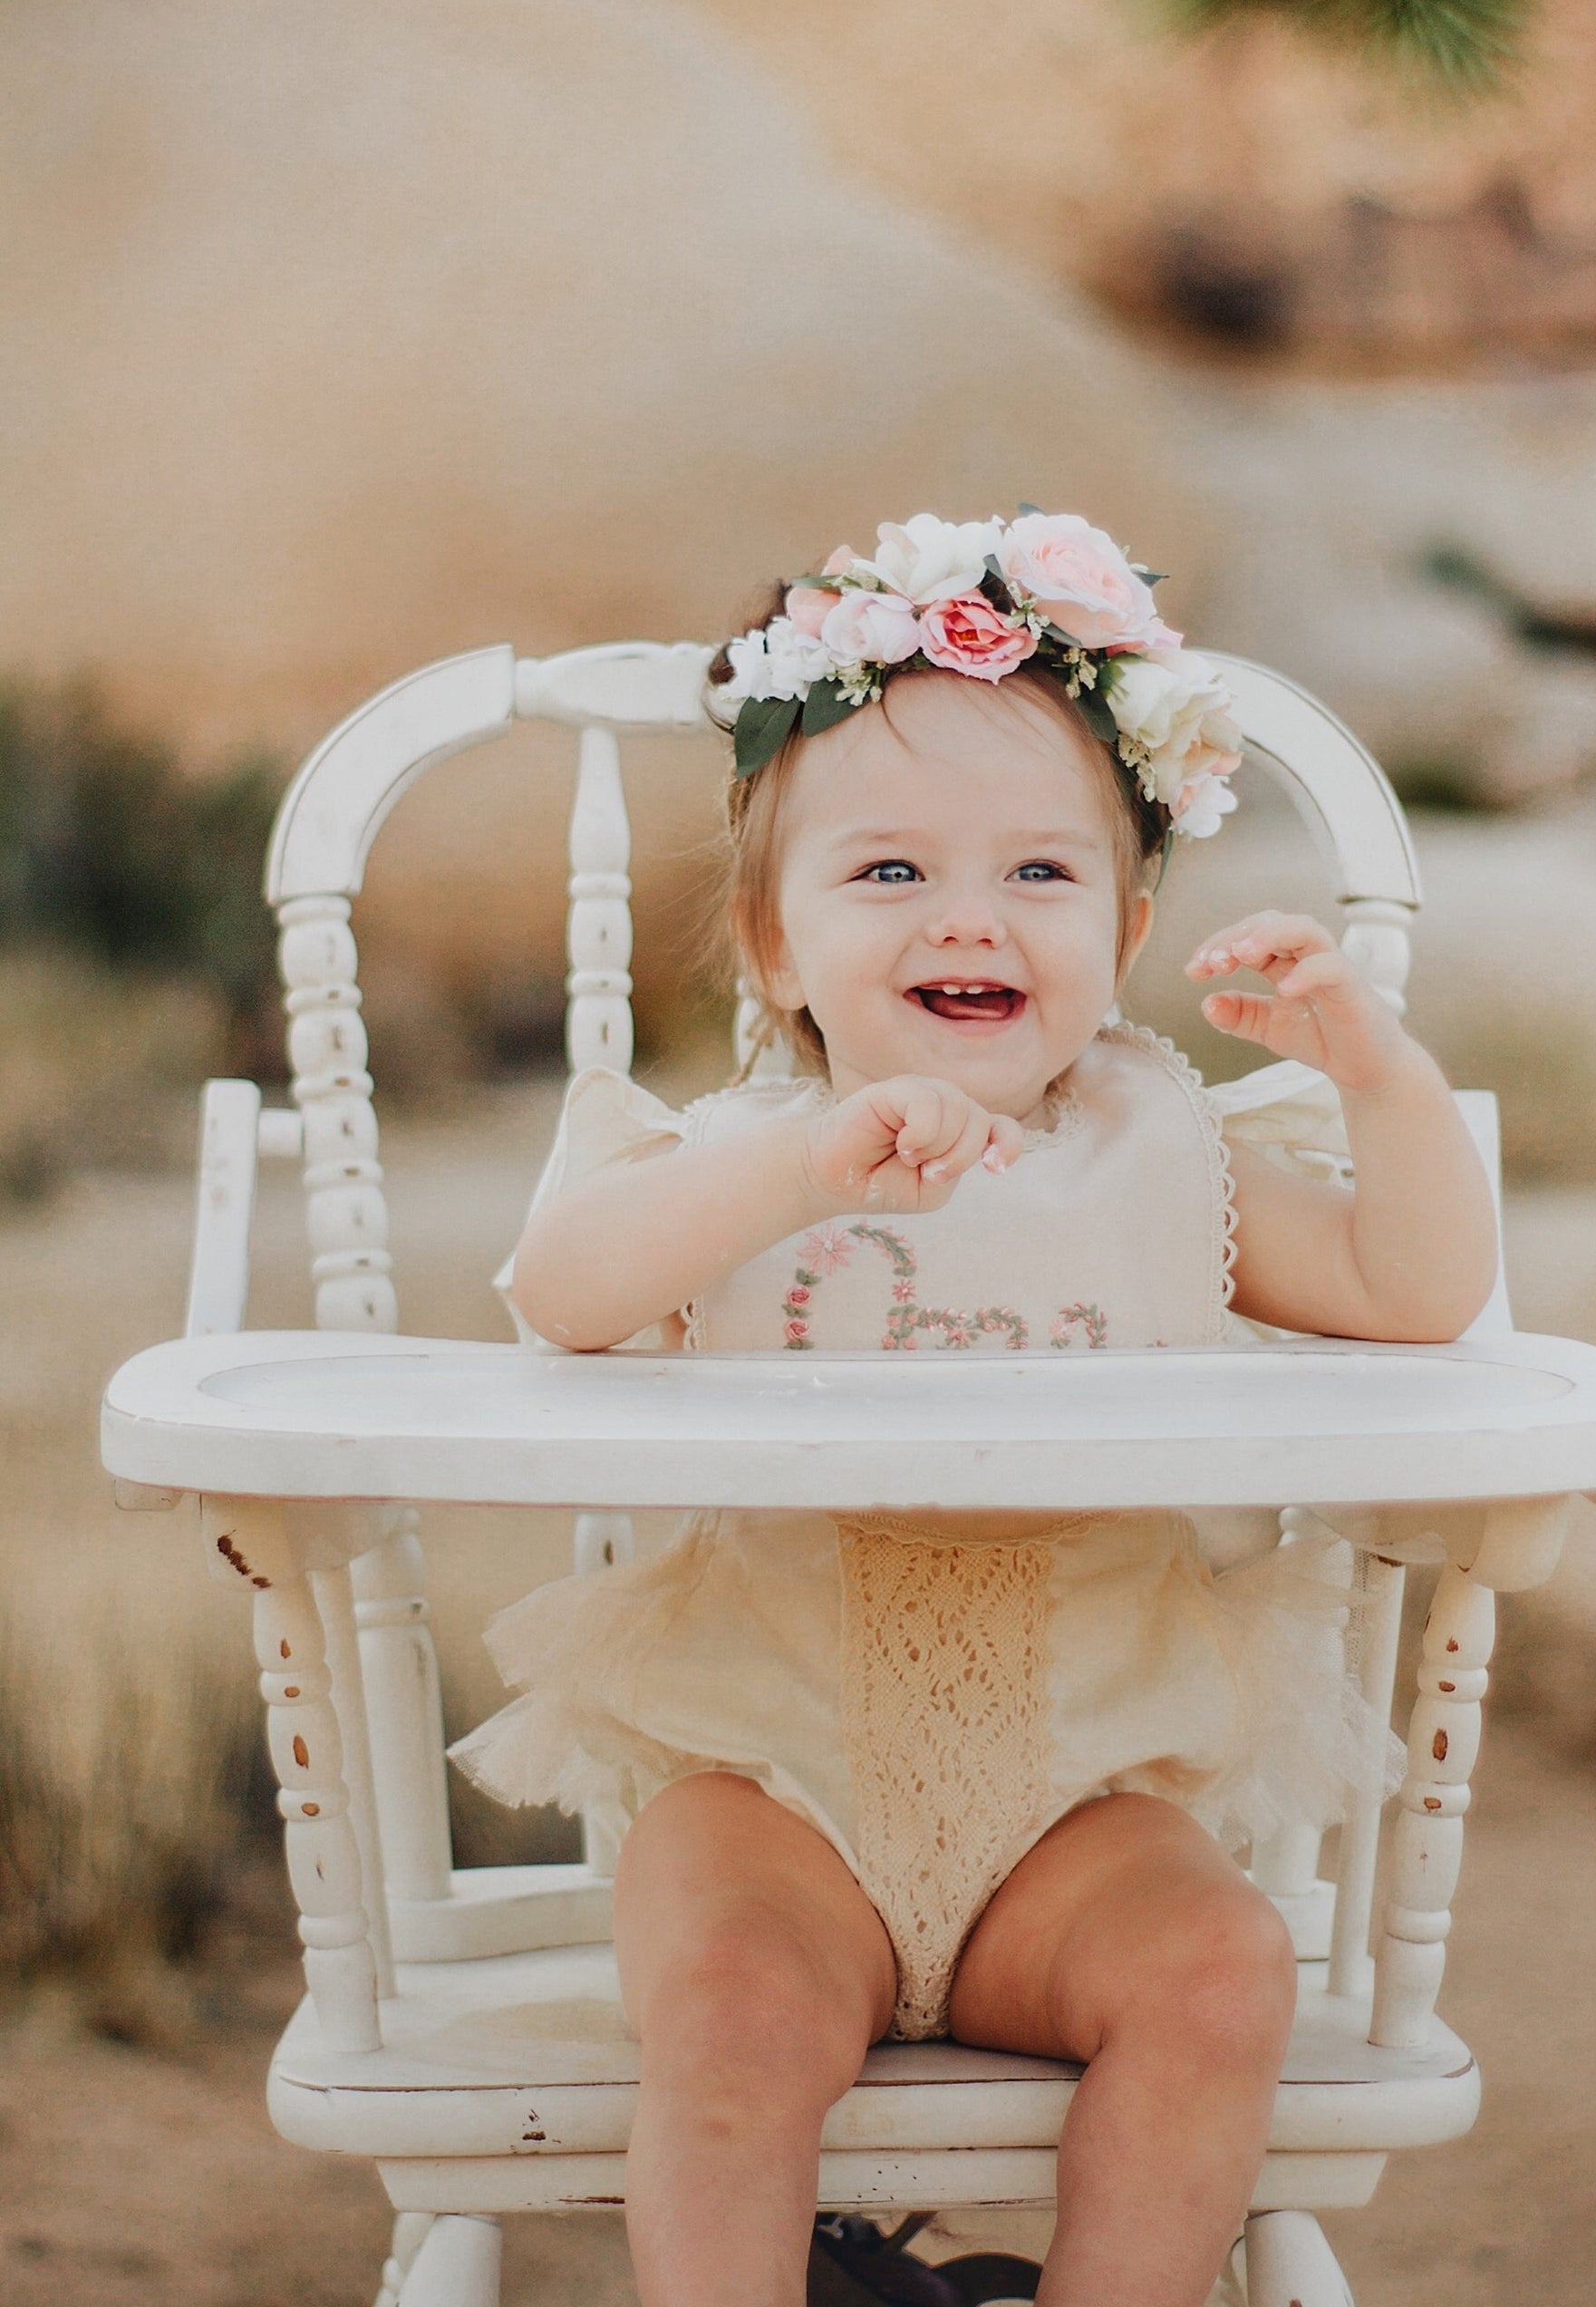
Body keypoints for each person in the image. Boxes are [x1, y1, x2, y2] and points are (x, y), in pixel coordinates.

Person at [453, 511, 1496, 2307]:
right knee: (727, 2011)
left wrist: (1377, 1077)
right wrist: (793, 1170)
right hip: (767, 1773)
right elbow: (561, 1292)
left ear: (1130, 924)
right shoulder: (728, 1164)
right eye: (886, 875)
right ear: (773, 946)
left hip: (1076, 1791)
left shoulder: (1167, 1154)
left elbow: (1417, 1293)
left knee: (1221, 1966)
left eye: (1039, 872)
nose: (967, 915)